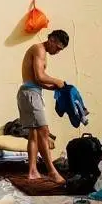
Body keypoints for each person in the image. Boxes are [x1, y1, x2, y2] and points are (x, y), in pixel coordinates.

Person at [17, 29, 69, 184]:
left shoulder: (40, 51)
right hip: (30, 95)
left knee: (33, 134)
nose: (58, 52)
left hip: (29, 92)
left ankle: (33, 171)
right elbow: (40, 76)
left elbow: (37, 81)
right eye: (58, 48)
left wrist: (54, 88)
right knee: (43, 131)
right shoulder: (39, 49)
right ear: (51, 40)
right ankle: (52, 171)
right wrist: (57, 81)